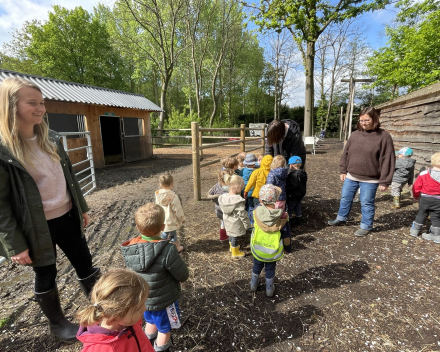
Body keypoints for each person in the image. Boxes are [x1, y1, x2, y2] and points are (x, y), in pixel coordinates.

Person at [0, 78, 100, 343]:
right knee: (46, 272)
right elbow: (1, 205)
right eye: (32, 103)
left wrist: (81, 208)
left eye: (42, 102)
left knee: (85, 262)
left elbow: (69, 178)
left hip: (67, 216)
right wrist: (14, 245)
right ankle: (57, 323)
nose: (41, 108)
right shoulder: (4, 152)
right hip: (36, 227)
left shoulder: (50, 137)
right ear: (11, 106)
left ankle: (99, 309)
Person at [121, 203, 189, 352]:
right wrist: (181, 278)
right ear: (163, 227)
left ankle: (145, 342)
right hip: (163, 300)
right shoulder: (167, 249)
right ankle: (160, 348)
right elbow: (183, 273)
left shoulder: (130, 249)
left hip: (143, 299)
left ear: (138, 228)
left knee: (150, 320)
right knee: (164, 328)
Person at [328, 107, 395, 237]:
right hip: (351, 175)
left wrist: (385, 180)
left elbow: (388, 159)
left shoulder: (384, 137)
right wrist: (343, 170)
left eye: (367, 120)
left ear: (375, 119)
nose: (363, 123)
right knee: (345, 198)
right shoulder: (355, 134)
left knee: (366, 203)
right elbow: (346, 154)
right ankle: (341, 218)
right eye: (361, 120)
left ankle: (366, 225)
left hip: (370, 179)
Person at [76, 268, 154, 352]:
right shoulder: (102, 349)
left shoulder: (128, 321)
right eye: (139, 308)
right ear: (114, 319)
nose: (145, 309)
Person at [250, 185, 291, 297]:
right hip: (273, 250)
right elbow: (286, 235)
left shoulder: (255, 213)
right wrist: (288, 248)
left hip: (258, 247)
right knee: (270, 269)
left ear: (260, 199)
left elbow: (252, 225)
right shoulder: (282, 217)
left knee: (256, 266)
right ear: (277, 200)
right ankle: (269, 289)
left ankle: (253, 284)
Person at [409, 152, 440, 241]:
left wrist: (415, 196)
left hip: (425, 198)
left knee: (422, 213)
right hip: (438, 200)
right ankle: (436, 235)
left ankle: (414, 231)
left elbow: (416, 186)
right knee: (436, 216)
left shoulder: (424, 173)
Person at [218, 175, 251, 258]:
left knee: (230, 234)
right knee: (234, 236)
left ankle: (231, 248)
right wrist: (247, 225)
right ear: (237, 186)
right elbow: (242, 214)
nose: (242, 189)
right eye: (241, 187)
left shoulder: (223, 198)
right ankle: (235, 253)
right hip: (235, 222)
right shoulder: (237, 200)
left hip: (227, 221)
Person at [155, 174, 186, 252]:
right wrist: (182, 218)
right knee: (172, 234)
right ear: (172, 184)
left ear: (160, 184)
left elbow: (156, 206)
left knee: (165, 232)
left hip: (162, 218)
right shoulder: (173, 196)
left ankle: (161, 248)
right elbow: (177, 210)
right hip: (171, 220)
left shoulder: (158, 194)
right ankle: (175, 248)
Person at [207, 168, 235, 241]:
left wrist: (216, 198)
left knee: (223, 222)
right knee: (229, 223)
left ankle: (222, 237)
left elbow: (210, 194)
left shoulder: (217, 185)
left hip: (219, 210)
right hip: (229, 210)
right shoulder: (231, 188)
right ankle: (231, 238)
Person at [286, 156, 308, 228]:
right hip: (300, 195)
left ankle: (288, 223)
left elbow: (292, 185)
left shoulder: (292, 175)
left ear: (291, 165)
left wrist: (286, 185)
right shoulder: (303, 173)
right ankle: (299, 222)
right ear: (300, 164)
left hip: (293, 195)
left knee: (290, 209)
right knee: (298, 208)